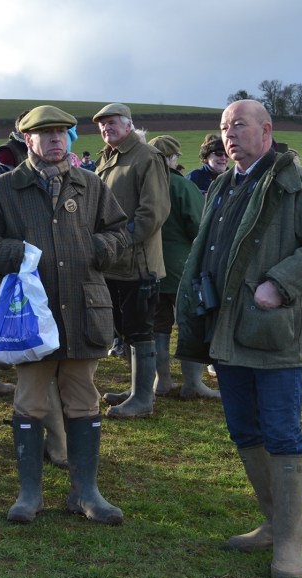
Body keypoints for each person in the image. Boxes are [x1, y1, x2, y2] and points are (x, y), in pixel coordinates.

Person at [175, 99, 302, 578]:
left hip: (273, 334)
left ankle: (290, 541)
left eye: (240, 125)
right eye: (225, 127)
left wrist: (282, 282)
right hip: (227, 331)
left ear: (266, 130)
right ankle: (274, 523)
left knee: (281, 432)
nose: (229, 135)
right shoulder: (225, 184)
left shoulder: (296, 180)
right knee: (244, 429)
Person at [0, 105, 129, 525]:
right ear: (27, 139)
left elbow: (119, 232)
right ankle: (30, 493)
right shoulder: (2, 189)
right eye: (47, 133)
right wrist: (18, 253)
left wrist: (97, 249)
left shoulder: (91, 186)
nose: (57, 139)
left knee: (83, 401)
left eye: (62, 133)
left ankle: (86, 492)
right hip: (29, 320)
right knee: (31, 403)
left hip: (83, 310)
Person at [92, 102, 170, 418]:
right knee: (124, 330)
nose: (106, 128)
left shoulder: (146, 157)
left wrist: (120, 239)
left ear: (128, 125)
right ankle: (137, 389)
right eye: (102, 124)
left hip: (138, 263)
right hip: (112, 263)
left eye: (112, 123)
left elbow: (154, 212)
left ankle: (143, 399)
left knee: (140, 330)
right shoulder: (106, 159)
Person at [147, 135, 218, 399]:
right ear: (174, 158)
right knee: (190, 323)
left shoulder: (142, 186)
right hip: (181, 268)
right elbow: (198, 229)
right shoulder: (182, 187)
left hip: (149, 267)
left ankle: (161, 382)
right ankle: (193, 384)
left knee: (158, 325)